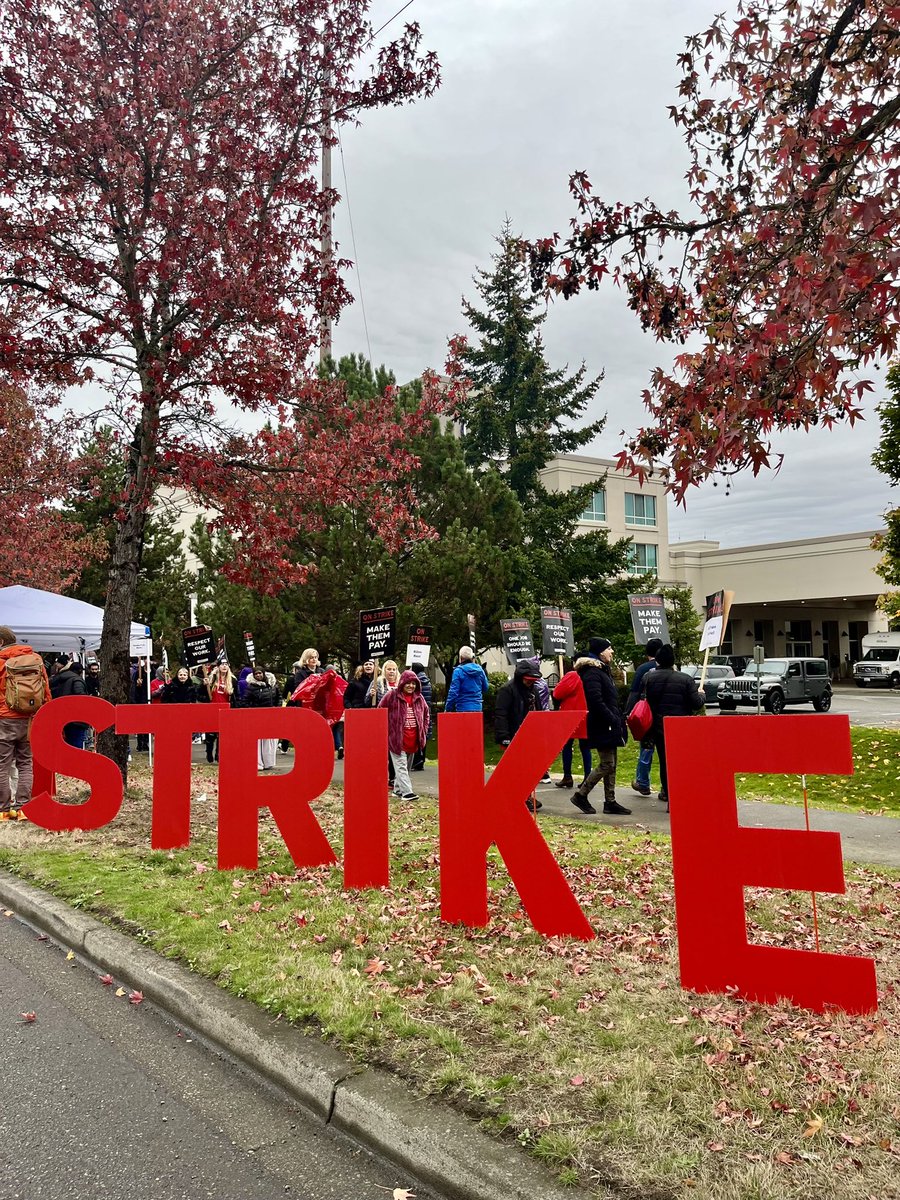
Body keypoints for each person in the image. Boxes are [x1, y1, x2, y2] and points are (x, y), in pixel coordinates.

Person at [570, 638, 630, 817]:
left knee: (613, 764)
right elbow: (595, 701)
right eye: (609, 649)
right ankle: (581, 795)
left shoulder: (602, 671)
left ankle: (610, 801)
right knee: (607, 763)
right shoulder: (592, 673)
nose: (612, 652)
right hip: (602, 724)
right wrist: (612, 718)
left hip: (610, 724)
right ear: (600, 652)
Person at [644, 643, 704, 812]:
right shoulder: (685, 679)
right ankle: (680, 796)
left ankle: (668, 794)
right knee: (681, 764)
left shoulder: (649, 679)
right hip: (681, 729)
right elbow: (696, 704)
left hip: (658, 727)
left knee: (664, 763)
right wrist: (701, 694)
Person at [0, 625, 51, 818]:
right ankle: (21, 808)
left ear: (1, 642)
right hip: (30, 719)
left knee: (2, 764)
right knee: (25, 763)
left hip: (4, 718)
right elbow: (45, 688)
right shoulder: (35, 659)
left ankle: (3, 810)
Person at [494, 659, 544, 813]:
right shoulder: (507, 690)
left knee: (529, 769)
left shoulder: (533, 690)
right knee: (516, 770)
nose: (530, 683)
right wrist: (504, 736)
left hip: (529, 734)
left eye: (533, 681)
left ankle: (525, 795)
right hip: (512, 734)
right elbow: (500, 714)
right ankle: (519, 797)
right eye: (528, 680)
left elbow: (539, 710)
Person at [379, 669, 430, 801]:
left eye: (414, 683)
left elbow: (426, 714)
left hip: (414, 738)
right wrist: (388, 730)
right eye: (408, 683)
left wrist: (423, 729)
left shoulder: (419, 698)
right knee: (401, 765)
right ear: (402, 682)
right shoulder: (392, 695)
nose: (411, 686)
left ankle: (397, 790)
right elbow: (380, 710)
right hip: (396, 738)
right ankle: (407, 792)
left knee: (405, 767)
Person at [624, 638, 663, 797]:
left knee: (646, 750)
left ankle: (643, 782)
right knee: (664, 754)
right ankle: (665, 787)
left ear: (647, 652)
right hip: (664, 717)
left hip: (647, 717)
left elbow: (634, 693)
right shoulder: (669, 669)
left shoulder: (643, 669)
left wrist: (628, 713)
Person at [552, 660, 592, 789]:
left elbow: (557, 693)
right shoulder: (593, 675)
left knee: (567, 746)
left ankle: (567, 776)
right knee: (585, 747)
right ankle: (588, 776)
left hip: (571, 714)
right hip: (585, 713)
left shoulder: (573, 675)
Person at [242, 665, 282, 770]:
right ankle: (258, 763)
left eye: (260, 673)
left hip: (271, 716)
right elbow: (245, 702)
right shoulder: (251, 687)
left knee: (270, 739)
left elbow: (279, 697)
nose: (258, 675)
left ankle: (269, 762)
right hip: (257, 717)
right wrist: (253, 711)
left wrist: (277, 708)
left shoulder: (272, 684)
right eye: (256, 674)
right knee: (258, 740)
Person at [50, 660, 90, 749]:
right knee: (76, 746)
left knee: (65, 745)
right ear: (80, 671)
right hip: (76, 718)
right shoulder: (77, 680)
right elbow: (81, 697)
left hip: (61, 717)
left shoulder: (58, 679)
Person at [204, 660, 236, 762]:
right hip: (212, 709)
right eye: (222, 664)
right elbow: (201, 694)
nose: (224, 666)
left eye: (226, 664)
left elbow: (237, 697)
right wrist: (203, 685)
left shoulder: (233, 680)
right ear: (218, 667)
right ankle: (209, 752)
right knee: (210, 734)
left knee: (222, 734)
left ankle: (219, 754)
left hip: (225, 710)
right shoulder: (211, 678)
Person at [444, 646, 488, 712]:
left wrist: (447, 708)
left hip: (462, 708)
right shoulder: (480, 670)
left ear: (460, 658)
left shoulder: (458, 671)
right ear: (472, 657)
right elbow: (485, 688)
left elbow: (453, 692)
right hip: (478, 708)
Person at [409, 661, 433, 771]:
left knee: (418, 735)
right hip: (427, 710)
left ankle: (417, 760)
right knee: (424, 734)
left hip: (418, 711)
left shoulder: (416, 683)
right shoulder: (427, 681)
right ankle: (422, 760)